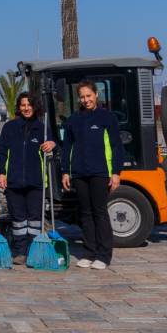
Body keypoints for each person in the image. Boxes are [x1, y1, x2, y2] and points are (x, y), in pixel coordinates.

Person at [61, 81, 123, 270]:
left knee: (99, 212)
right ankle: (89, 253)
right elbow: (67, 147)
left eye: (89, 95)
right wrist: (65, 172)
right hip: (79, 173)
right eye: (82, 97)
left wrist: (116, 173)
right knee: (85, 214)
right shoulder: (73, 120)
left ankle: (103, 255)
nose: (86, 100)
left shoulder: (107, 117)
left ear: (96, 94)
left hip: (100, 172)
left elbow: (116, 146)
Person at [0, 92, 59, 264]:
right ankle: (20, 251)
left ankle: (34, 251)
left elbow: (54, 150)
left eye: (29, 105)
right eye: (23, 105)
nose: (26, 108)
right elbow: (2, 152)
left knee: (35, 220)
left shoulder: (42, 128)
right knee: (18, 219)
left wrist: (53, 144)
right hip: (14, 181)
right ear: (19, 107)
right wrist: (1, 173)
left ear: (35, 107)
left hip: (36, 181)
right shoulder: (10, 127)